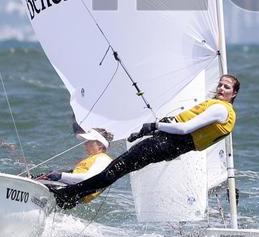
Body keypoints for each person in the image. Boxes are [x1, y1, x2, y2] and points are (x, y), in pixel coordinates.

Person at [49, 74, 240, 210]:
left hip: (166, 144)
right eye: (220, 85)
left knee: (115, 169)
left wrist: (155, 126)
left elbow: (185, 129)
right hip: (165, 144)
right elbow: (178, 125)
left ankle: (67, 196)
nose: (221, 89)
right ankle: (71, 196)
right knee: (116, 169)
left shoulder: (221, 110)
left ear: (234, 94)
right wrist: (147, 131)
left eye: (227, 87)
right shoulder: (216, 106)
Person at [38, 128, 114, 204]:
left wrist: (61, 176)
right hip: (68, 192)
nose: (85, 144)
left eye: (89, 141)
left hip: (72, 195)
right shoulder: (94, 158)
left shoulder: (103, 159)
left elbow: (88, 179)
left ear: (100, 145)